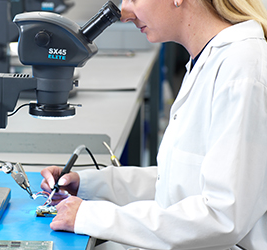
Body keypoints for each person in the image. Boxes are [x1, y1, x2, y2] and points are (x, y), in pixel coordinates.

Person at [40, 0, 267, 248]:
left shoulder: (243, 68)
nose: (124, 13)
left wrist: (90, 216)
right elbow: (180, 181)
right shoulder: (207, 59)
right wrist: (89, 186)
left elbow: (223, 216)